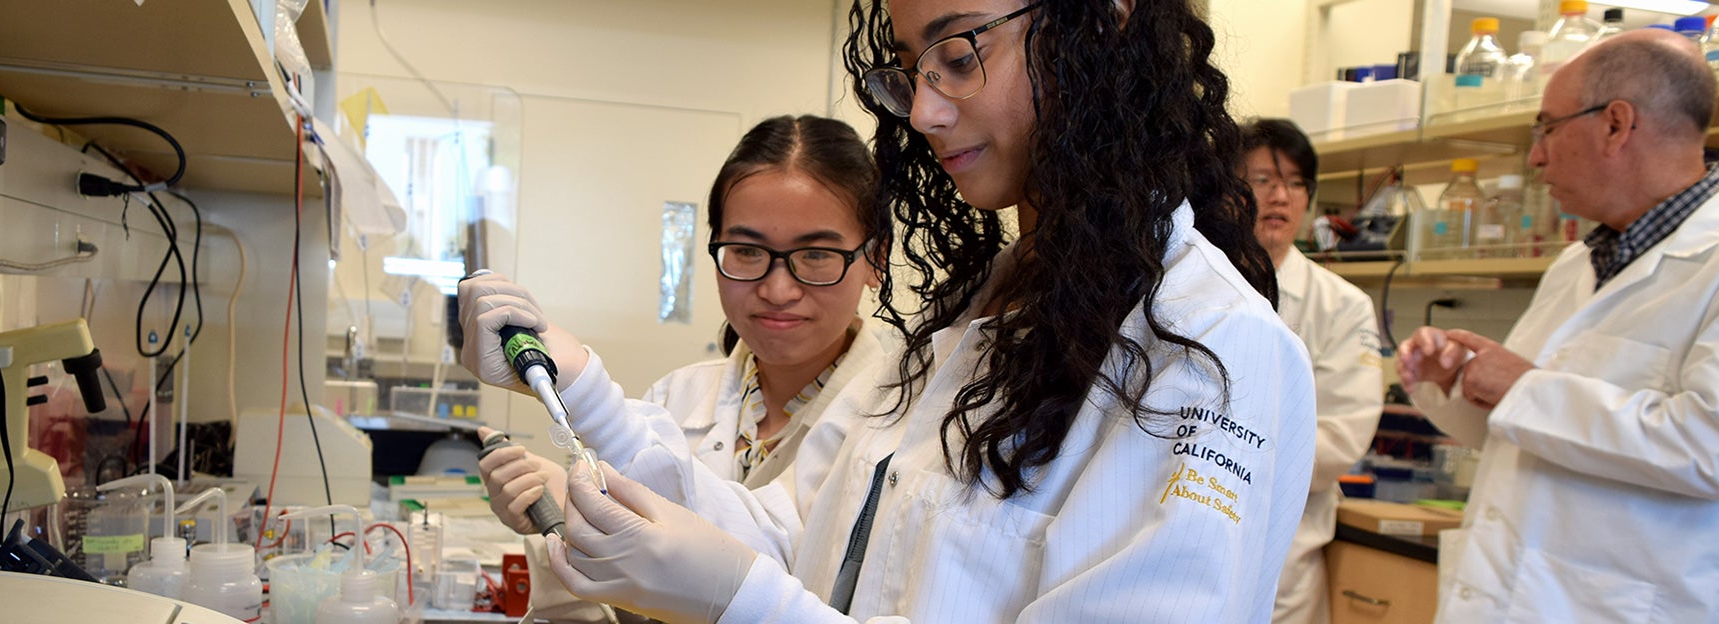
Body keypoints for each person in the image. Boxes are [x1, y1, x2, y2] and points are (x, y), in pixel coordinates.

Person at [460, 1, 1317, 622]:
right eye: (915, 67)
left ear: (1101, 23)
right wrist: (582, 384)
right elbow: (814, 544)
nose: (929, 109)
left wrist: (743, 600)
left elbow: (777, 585)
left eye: (959, 50)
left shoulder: (1211, 350)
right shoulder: (980, 324)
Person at [473, 114, 889, 621]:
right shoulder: (675, 396)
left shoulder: (901, 428)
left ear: (877, 258)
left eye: (817, 254)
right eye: (746, 251)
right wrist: (559, 520)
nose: (778, 290)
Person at [1397, 30, 1719, 621]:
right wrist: (1460, 383)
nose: (1536, 155)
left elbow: (1708, 446)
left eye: (1547, 127)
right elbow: (1528, 430)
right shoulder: (1578, 261)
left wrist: (1522, 388)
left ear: (1616, 124)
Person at [1239, 119, 1384, 624]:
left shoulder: (1343, 306)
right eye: (1262, 180)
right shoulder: (1186, 288)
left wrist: (1224, 454)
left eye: (1296, 183)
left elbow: (1341, 437)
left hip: (1285, 562)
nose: (1280, 196)